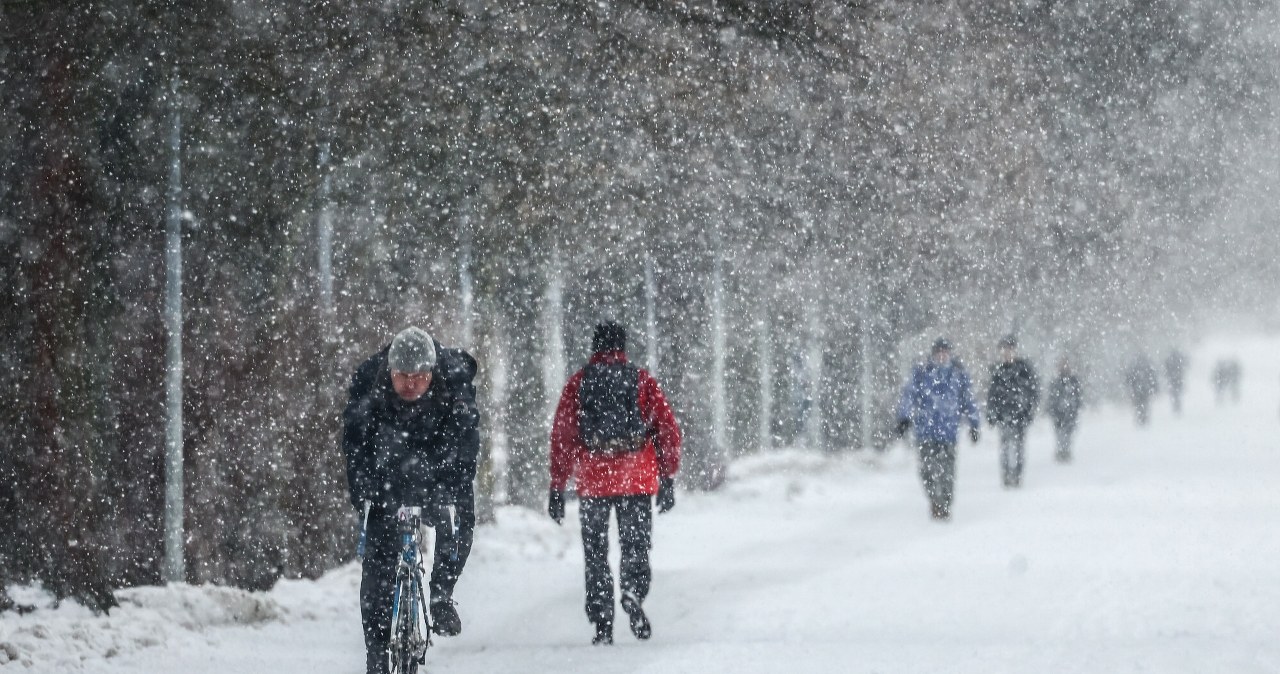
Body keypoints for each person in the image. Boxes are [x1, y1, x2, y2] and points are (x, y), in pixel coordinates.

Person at [343, 327, 480, 674]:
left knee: (458, 519)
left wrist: (450, 485)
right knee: (377, 564)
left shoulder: (454, 383)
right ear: (389, 371)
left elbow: (466, 443)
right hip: (388, 465)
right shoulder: (369, 385)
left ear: (432, 373)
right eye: (402, 376)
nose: (410, 384)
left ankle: (441, 596)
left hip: (437, 461)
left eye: (419, 377)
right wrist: (364, 492)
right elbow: (355, 445)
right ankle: (376, 652)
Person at [548, 322, 682, 646]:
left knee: (595, 552)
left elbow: (563, 436)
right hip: (635, 475)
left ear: (594, 347)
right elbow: (667, 428)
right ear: (622, 348)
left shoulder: (579, 383)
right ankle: (633, 591)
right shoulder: (641, 380)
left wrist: (557, 485)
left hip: (593, 478)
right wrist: (667, 476)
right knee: (635, 545)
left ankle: (602, 621)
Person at [895, 338, 981, 520]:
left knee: (947, 472)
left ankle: (945, 504)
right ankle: (935, 499)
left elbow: (968, 401)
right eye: (938, 352)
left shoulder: (958, 375)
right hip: (925, 431)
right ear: (933, 354)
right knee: (926, 470)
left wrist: (974, 424)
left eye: (945, 352)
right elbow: (909, 395)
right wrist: (904, 418)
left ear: (949, 354)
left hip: (949, 432)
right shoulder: (921, 373)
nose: (942, 355)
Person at [986, 335, 1040, 488]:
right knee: (1005, 446)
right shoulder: (998, 371)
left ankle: (1017, 475)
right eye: (1004, 350)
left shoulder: (1023, 369)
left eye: (1010, 349)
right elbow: (992, 394)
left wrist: (1029, 410)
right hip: (1003, 415)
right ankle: (1006, 475)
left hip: (1020, 415)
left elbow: (1032, 391)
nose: (1007, 353)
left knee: (1018, 447)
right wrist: (991, 413)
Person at [1046, 358, 1083, 463]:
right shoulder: (1056, 381)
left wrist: (1075, 407)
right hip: (1058, 413)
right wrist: (1052, 409)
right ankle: (1061, 450)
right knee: (1060, 433)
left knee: (1068, 432)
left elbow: (1078, 395)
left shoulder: (1073, 380)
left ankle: (1066, 450)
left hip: (1070, 412)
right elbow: (1052, 397)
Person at [1126, 355, 1159, 425]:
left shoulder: (1134, 367)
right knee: (1144, 404)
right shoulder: (1148, 366)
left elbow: (1129, 378)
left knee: (1139, 404)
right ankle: (1144, 417)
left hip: (1137, 390)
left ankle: (1140, 417)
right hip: (1145, 389)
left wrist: (1131, 386)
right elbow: (1153, 378)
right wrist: (1154, 387)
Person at [1164, 350, 1188, 415]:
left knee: (1174, 393)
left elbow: (1166, 369)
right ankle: (1177, 406)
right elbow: (1183, 368)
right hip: (1177, 380)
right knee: (1177, 393)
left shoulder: (1170, 360)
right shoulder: (1178, 360)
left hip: (1173, 380)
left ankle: (1176, 406)